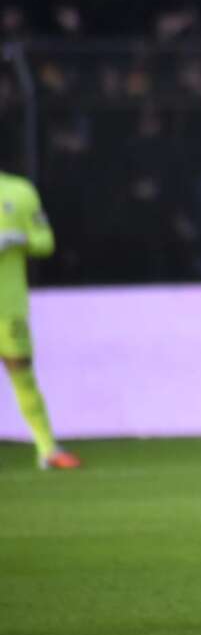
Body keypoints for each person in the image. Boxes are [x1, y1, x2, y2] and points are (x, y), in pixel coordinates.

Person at [0, 170, 80, 470]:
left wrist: (17, 239)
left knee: (22, 375)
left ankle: (47, 449)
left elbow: (45, 242)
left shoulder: (18, 191)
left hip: (8, 307)